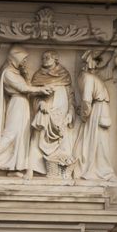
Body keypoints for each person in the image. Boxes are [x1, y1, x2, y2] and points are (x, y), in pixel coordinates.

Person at [29, 51, 77, 179]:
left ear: (55, 59)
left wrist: (71, 113)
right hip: (46, 113)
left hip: (62, 116)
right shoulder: (38, 76)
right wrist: (40, 104)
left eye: (47, 57)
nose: (44, 59)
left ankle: (62, 171)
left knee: (63, 139)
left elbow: (71, 97)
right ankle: (35, 168)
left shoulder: (64, 75)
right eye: (43, 57)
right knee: (38, 136)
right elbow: (33, 97)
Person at [74, 50, 117, 182]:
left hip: (98, 109)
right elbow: (86, 100)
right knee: (99, 141)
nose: (98, 64)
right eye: (97, 61)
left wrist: (115, 57)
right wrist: (84, 115)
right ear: (91, 63)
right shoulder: (88, 77)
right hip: (97, 110)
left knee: (96, 141)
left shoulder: (90, 76)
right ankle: (103, 171)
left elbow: (106, 73)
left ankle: (101, 170)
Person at [0, 47, 43, 174]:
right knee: (11, 134)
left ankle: (14, 167)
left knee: (22, 135)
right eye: (23, 59)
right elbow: (23, 88)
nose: (25, 62)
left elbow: (26, 86)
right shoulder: (8, 73)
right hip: (16, 104)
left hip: (23, 105)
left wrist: (25, 74)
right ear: (15, 58)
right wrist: (41, 89)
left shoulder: (16, 72)